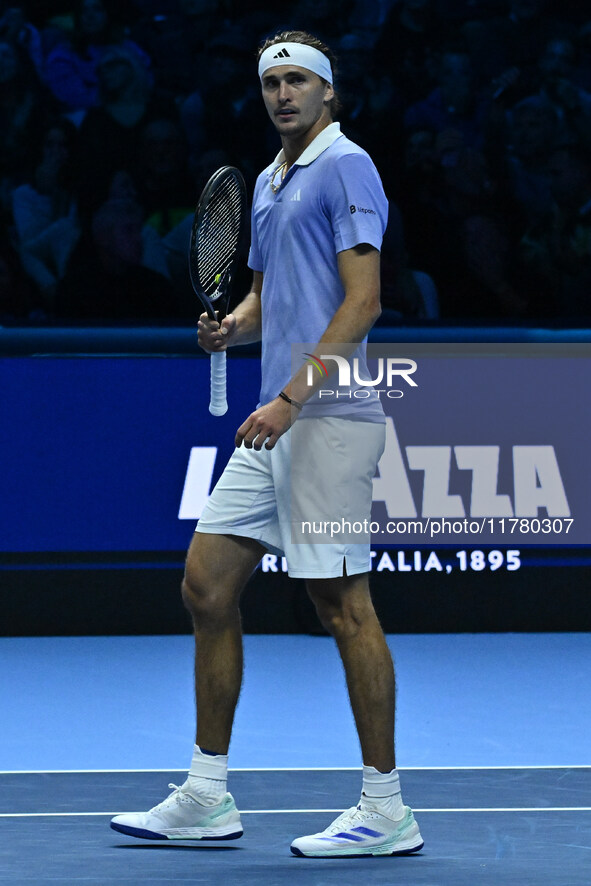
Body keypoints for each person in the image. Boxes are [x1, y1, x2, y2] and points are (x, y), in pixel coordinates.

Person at [110, 29, 424, 859]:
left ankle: (386, 808)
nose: (281, 93)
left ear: (328, 91)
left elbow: (361, 305)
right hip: (276, 419)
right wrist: (230, 330)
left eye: (297, 80)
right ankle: (207, 795)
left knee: (342, 608)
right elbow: (263, 296)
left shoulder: (347, 166)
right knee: (206, 587)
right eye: (270, 82)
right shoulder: (267, 182)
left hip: (326, 422)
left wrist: (289, 397)